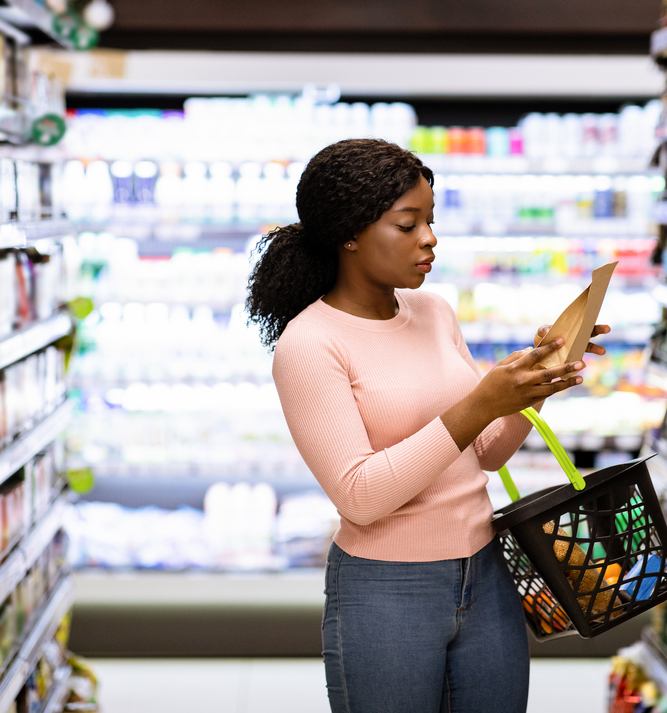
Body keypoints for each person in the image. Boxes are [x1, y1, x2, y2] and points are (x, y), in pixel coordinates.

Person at [247, 138, 609, 713]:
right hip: (386, 591)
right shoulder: (310, 344)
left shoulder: (434, 311)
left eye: (431, 221)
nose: (430, 239)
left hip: (487, 573)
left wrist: (533, 384)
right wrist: (478, 403)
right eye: (408, 224)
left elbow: (484, 452)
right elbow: (362, 496)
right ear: (349, 233)